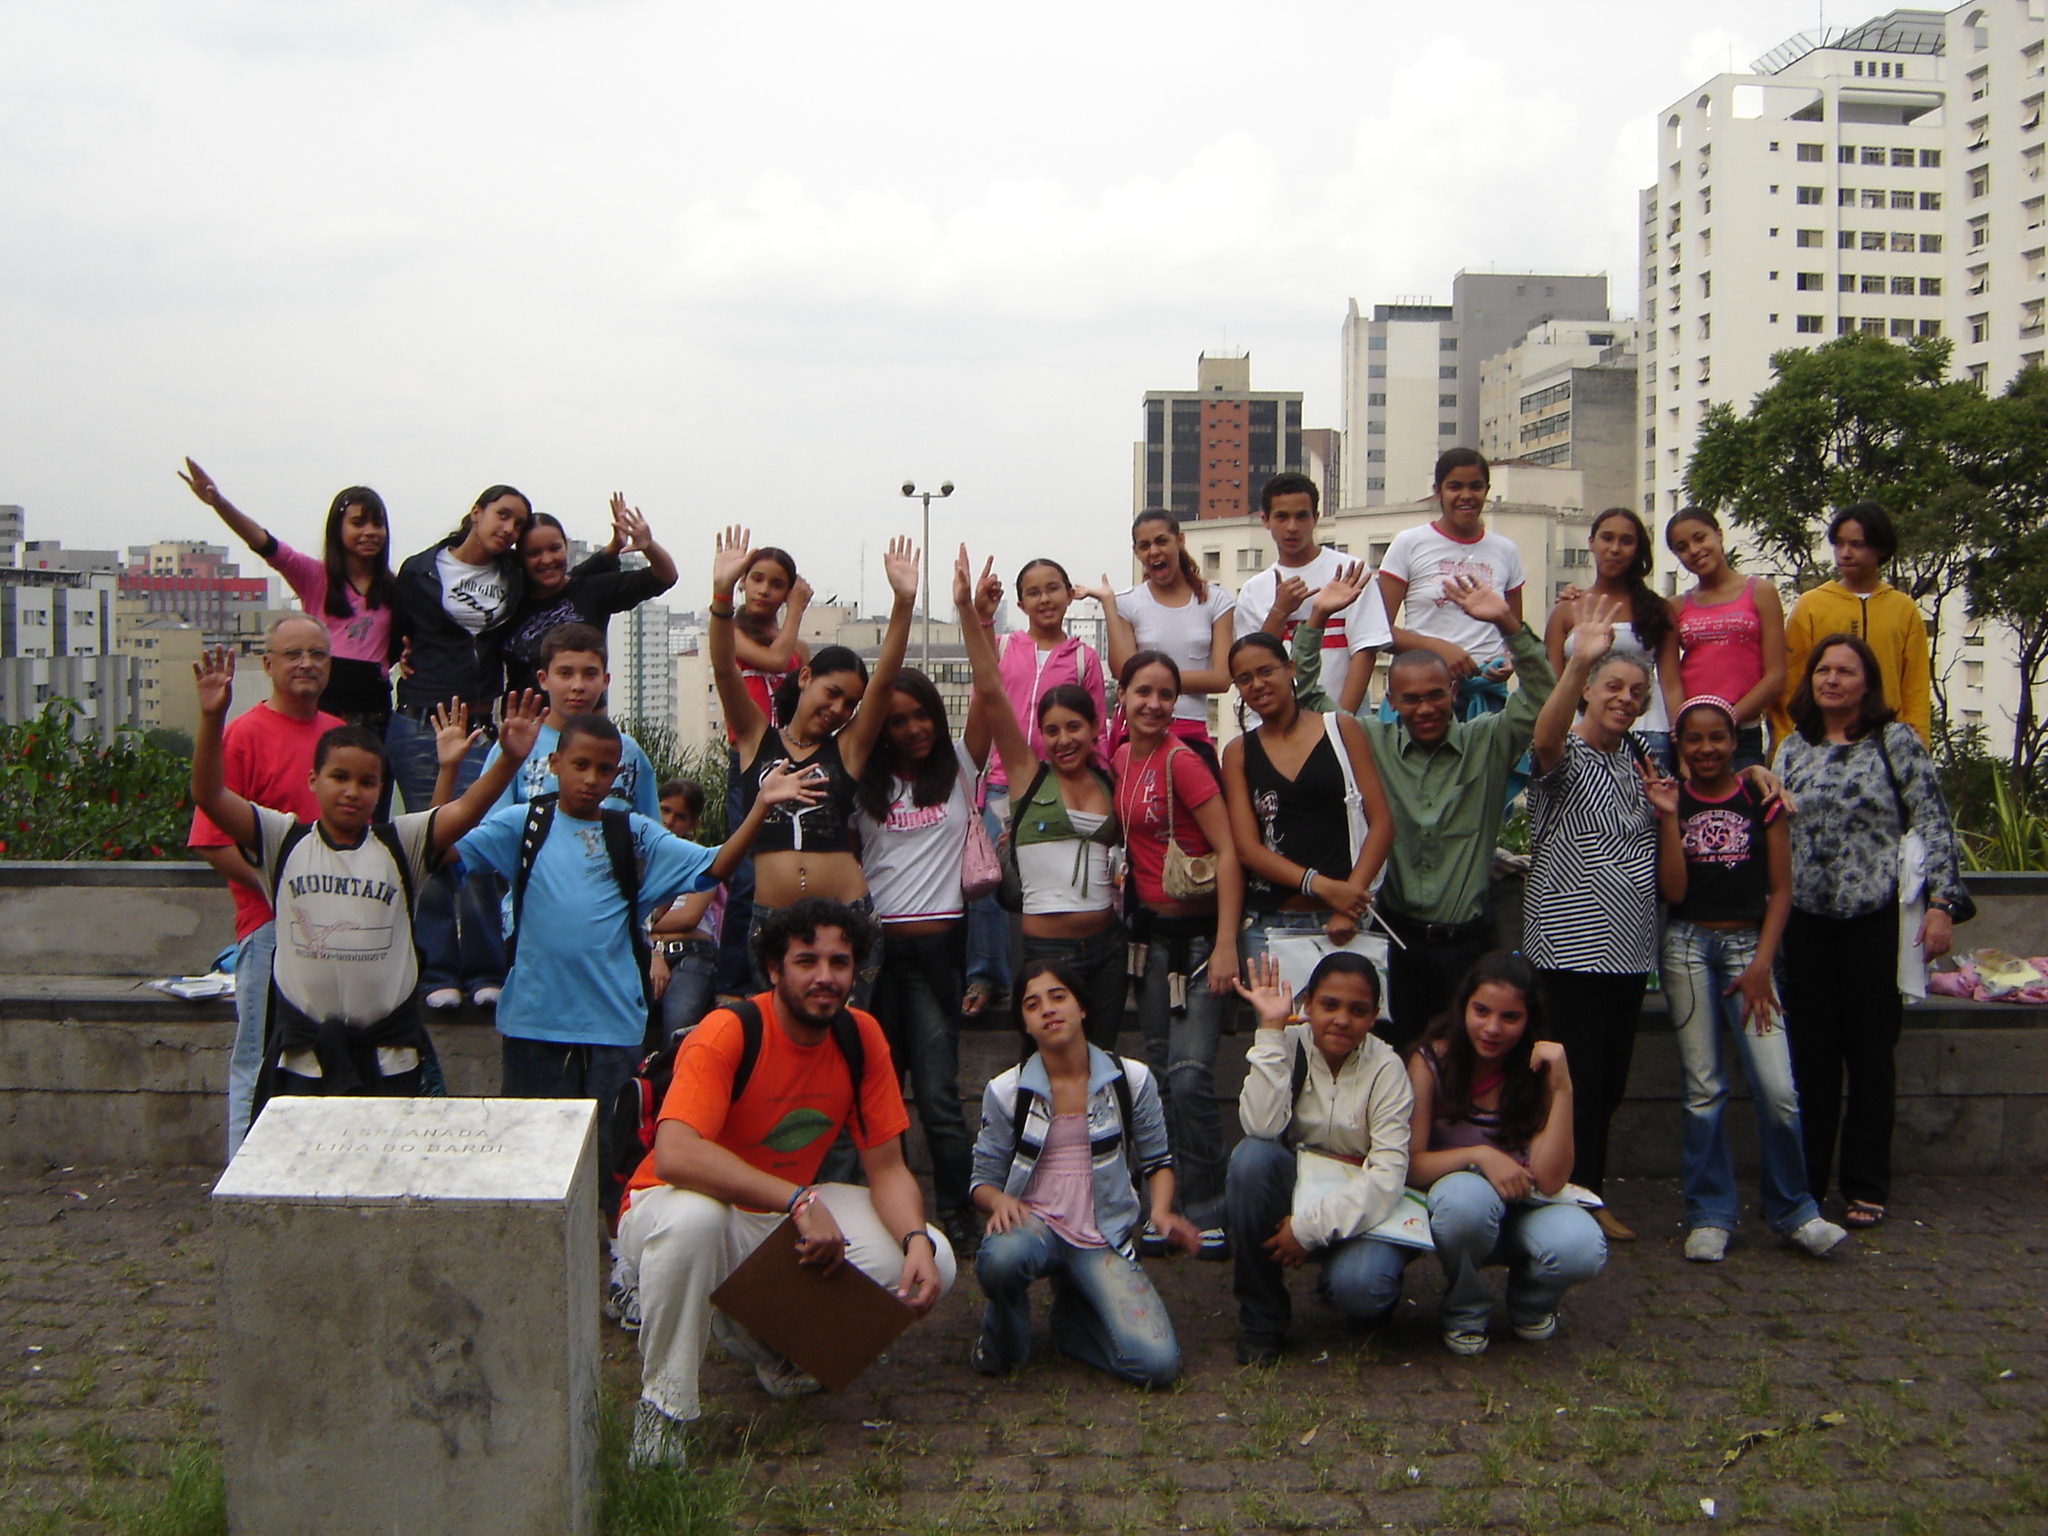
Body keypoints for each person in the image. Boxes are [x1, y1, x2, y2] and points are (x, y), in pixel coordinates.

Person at [615, 898, 956, 1469]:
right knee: (699, 1222)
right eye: (806, 961)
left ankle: (777, 1356)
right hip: (671, 1206)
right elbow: (674, 1154)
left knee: (935, 1257)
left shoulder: (860, 1036)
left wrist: (914, 1241)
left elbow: (889, 1169)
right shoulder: (729, 1030)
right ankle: (662, 1412)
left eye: (840, 962)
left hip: (777, 1213)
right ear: (774, 968)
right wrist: (797, 1199)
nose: (825, 976)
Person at [453, 713, 822, 1205]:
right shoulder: (526, 823)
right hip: (533, 1022)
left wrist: (759, 806)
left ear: (617, 775)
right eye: (579, 765)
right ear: (555, 763)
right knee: (531, 1161)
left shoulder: (634, 834)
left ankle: (611, 1263)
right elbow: (445, 847)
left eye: (604, 769)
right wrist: (466, 770)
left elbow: (713, 863)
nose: (590, 779)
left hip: (611, 1027)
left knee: (612, 1159)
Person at [188, 652, 543, 1108]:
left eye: (367, 781)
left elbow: (465, 809)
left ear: (381, 789)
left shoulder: (401, 843)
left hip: (390, 1059)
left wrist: (510, 760)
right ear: (314, 780)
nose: (352, 791)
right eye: (339, 777)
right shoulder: (282, 839)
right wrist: (212, 717)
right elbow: (209, 795)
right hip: (302, 1058)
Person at [1777, 634, 1963, 1230]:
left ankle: (1865, 1182)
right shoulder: (1790, 748)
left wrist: (1943, 904)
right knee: (1810, 1060)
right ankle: (1804, 1183)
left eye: (1846, 672)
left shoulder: (1895, 741)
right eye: (1823, 670)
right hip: (1803, 921)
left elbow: (1934, 821)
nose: (1832, 680)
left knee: (1871, 1056)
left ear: (1867, 683)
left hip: (1874, 919)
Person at [1656, 696, 1848, 1262]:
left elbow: (1782, 889)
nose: (1707, 749)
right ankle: (1710, 1213)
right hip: (1687, 946)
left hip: (1750, 950)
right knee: (1703, 1090)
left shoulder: (1761, 798)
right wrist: (1667, 816)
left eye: (1718, 737)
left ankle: (1795, 1209)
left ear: (1734, 740)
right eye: (1694, 739)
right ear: (1680, 743)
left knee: (1780, 1091)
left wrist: (1763, 963)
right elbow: (1673, 894)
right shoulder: (1672, 799)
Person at [710, 526, 919, 1007]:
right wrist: (722, 593)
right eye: (832, 693)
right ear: (804, 678)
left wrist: (903, 603)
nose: (839, 709)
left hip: (846, 918)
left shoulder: (846, 750)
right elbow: (724, 668)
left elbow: (886, 677)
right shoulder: (755, 738)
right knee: (779, 1048)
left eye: (850, 704)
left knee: (845, 1043)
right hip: (774, 923)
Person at [969, 959, 1195, 1386]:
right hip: (1031, 1227)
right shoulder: (1005, 1092)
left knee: (1156, 1367)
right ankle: (1002, 1344)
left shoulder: (1131, 1079)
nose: (1049, 1010)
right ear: (1025, 1023)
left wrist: (1161, 1213)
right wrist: (999, 1201)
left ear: (1082, 1008)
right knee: (1002, 1259)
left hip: (1101, 1235)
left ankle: (1070, 1322)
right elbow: (980, 1180)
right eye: (1033, 1005)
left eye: (1059, 997)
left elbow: (1158, 1161)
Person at [1361, 580, 1561, 1052]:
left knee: (1466, 1070)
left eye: (1434, 695)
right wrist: (1313, 623)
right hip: (1397, 942)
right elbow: (1314, 708)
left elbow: (1543, 696)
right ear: (1391, 702)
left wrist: (1506, 623)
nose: (1425, 708)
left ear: (1453, 691)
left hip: (1467, 946)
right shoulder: (1371, 742)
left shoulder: (1487, 741)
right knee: (1398, 1064)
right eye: (1410, 699)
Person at [1523, 597, 1660, 1243]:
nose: (1626, 698)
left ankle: (1587, 1192)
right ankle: (1569, 1198)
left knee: (1608, 1084)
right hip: (1568, 950)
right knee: (1569, 1085)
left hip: (1629, 954)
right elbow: (1543, 737)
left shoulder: (1638, 763)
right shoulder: (1568, 755)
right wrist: (1578, 659)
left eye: (1637, 691)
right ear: (1588, 692)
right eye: (1613, 686)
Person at [954, 547, 1126, 1051]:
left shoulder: (1083, 657)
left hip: (1065, 786)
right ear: (1022, 601)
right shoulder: (1005, 644)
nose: (1044, 598)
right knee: (989, 876)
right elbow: (984, 679)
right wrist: (973, 612)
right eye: (1033, 591)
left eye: (1053, 588)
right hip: (1012, 780)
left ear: (1071, 595)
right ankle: (986, 974)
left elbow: (1097, 721)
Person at [187, 615, 344, 1157]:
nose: (306, 664)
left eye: (318, 654)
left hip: (337, 925)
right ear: (268, 664)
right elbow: (210, 839)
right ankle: (243, 1176)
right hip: (270, 925)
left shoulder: (336, 734)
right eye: (294, 654)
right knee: (257, 1055)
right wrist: (278, 885)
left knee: (331, 1054)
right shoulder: (245, 734)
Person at [851, 658, 991, 1259]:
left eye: (922, 716)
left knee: (938, 1097)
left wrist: (975, 618)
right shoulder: (862, 780)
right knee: (875, 1099)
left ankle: (956, 1212)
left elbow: (989, 685)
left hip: (938, 951)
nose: (913, 729)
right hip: (877, 955)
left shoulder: (960, 764)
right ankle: (879, 1210)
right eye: (897, 720)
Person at [1405, 952, 1604, 1355]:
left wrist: (1563, 1089)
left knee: (1582, 1246)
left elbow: (1549, 1180)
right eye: (1481, 1011)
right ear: (1463, 1007)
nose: (1492, 1028)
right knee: (1464, 1200)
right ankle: (1466, 1309)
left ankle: (1531, 1304)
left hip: (1524, 1205)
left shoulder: (1537, 1069)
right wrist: (1480, 1154)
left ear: (1529, 1020)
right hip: (1461, 1208)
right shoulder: (1432, 1060)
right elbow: (1412, 1165)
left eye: (1510, 1017)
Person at [1115, 648, 1243, 1258]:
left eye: (1166, 694)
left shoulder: (1184, 762)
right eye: (1143, 691)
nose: (1154, 704)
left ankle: (1211, 1205)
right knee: (1160, 1078)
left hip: (1198, 944)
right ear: (1123, 695)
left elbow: (1229, 853)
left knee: (1192, 1078)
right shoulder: (1120, 758)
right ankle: (1166, 1211)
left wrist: (1224, 946)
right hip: (1150, 946)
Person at [1225, 953, 1413, 1366]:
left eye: (1358, 1010)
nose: (1342, 1020)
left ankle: (1349, 1283)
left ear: (1375, 1015)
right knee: (1250, 1160)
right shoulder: (1287, 1044)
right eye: (1329, 1005)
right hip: (1297, 1189)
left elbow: (1387, 1176)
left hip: (1361, 1201)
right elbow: (1259, 1127)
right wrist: (1271, 1032)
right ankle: (1263, 1320)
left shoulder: (1387, 1069)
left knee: (1362, 1290)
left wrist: (1307, 1230)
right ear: (1307, 1004)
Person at [387, 485, 532, 1009]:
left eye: (518, 523)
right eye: (502, 516)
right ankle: (436, 973)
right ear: (476, 512)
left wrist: (610, 552)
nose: (509, 529)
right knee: (428, 840)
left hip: (476, 724)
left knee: (475, 845)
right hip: (418, 723)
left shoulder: (514, 578)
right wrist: (401, 656)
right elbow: (393, 632)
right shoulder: (420, 571)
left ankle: (484, 970)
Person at [1220, 627, 1394, 971]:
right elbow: (1248, 849)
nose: (1257, 684)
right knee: (1275, 1025)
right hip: (1270, 924)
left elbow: (1382, 823)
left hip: (1341, 923)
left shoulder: (1342, 730)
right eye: (1244, 678)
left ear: (1290, 669)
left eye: (1266, 671)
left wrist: (1348, 901)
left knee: (1345, 1024)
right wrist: (1321, 885)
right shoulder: (1238, 752)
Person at [178, 459, 397, 732]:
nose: (370, 533)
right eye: (358, 523)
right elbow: (262, 542)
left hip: (373, 710)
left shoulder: (395, 587)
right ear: (338, 529)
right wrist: (218, 501)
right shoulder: (316, 577)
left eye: (377, 525)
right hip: (323, 701)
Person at [713, 544, 812, 998]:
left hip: (793, 762)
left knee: (793, 871)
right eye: (757, 579)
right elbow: (774, 662)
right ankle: (733, 981)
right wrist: (797, 608)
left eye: (777, 584)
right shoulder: (729, 633)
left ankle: (782, 974)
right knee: (748, 874)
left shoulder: (800, 649)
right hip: (752, 763)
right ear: (742, 582)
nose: (765, 591)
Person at [1377, 449, 1526, 719]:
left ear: (1487, 490)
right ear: (1438, 491)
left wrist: (1508, 661)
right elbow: (1377, 629)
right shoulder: (1409, 544)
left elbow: (1515, 633)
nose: (1466, 495)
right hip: (1423, 695)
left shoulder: (1506, 551)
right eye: (1455, 487)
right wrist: (1439, 651)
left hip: (1486, 700)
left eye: (1476, 487)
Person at [1774, 502, 1931, 748]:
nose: (1845, 553)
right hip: (1820, 744)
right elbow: (1790, 686)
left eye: (1856, 544)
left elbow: (1916, 690)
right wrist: (1785, 748)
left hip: (1887, 746)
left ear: (1880, 548)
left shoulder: (1904, 609)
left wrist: (1916, 747)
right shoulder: (1811, 605)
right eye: (1839, 543)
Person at [1233, 472, 1391, 715]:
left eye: (1301, 516)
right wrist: (1280, 610)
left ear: (1316, 518)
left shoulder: (1350, 573)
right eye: (1282, 517)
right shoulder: (1254, 590)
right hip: (1276, 726)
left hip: (1342, 721)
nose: (1292, 527)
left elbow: (1365, 651)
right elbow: (1254, 662)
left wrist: (1341, 722)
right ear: (1265, 520)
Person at [1077, 512, 1233, 749]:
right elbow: (1122, 669)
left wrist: (1150, 683)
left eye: (1162, 541)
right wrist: (1109, 605)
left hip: (1191, 728)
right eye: (1144, 546)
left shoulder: (1217, 601)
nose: (1154, 551)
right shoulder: (1128, 603)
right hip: (1139, 730)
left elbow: (1222, 678)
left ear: (1179, 541)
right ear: (1136, 552)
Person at [483, 622, 659, 819]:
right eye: (565, 674)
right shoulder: (513, 749)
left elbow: (650, 836)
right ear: (543, 679)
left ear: (605, 681)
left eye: (590, 674)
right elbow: (492, 834)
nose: (578, 685)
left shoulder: (628, 752)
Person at [1545, 508, 1675, 772]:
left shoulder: (1657, 609)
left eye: (1626, 541)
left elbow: (1671, 683)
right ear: (1591, 543)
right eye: (1607, 538)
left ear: (1637, 549)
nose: (1615, 549)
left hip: (1648, 732)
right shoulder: (1566, 611)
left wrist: (1681, 738)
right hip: (1581, 733)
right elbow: (1552, 685)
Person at [499, 498, 678, 684]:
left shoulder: (592, 590)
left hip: (583, 712)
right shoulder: (510, 602)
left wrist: (648, 545)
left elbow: (665, 577)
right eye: (534, 553)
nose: (547, 560)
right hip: (521, 712)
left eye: (555, 549)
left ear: (566, 547)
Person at [1663, 506, 1786, 770]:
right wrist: (1683, 735)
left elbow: (1776, 676)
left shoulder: (1760, 592)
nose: (1694, 550)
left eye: (1700, 538)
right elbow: (1671, 683)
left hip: (1743, 733)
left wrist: (1727, 719)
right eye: (1682, 547)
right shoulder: (1675, 607)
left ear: (1718, 534)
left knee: (1742, 809)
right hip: (1692, 738)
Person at [648, 779, 725, 1043]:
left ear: (693, 823)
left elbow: (689, 917)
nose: (669, 821)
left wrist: (640, 922)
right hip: (644, 952)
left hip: (691, 955)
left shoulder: (702, 860)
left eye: (680, 816)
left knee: (679, 1029)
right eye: (664, 810)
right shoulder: (635, 856)